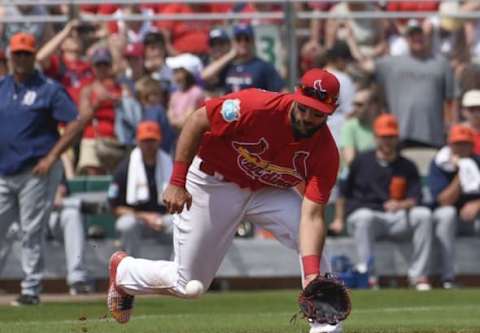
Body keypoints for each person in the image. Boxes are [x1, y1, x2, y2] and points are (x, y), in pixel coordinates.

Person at [107, 68, 343, 333]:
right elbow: (198, 120)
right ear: (296, 96)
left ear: (330, 112)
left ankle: (324, 327)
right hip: (214, 181)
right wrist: (177, 181)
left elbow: (312, 217)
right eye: (304, 108)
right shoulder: (256, 106)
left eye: (317, 113)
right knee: (190, 284)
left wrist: (312, 278)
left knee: (313, 241)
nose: (308, 117)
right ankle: (125, 272)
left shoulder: (326, 153)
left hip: (266, 190)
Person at [0, 32, 88, 305]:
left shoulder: (48, 88)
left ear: (35, 56)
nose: (22, 58)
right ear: (10, 56)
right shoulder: (2, 86)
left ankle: (31, 288)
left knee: (31, 230)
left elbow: (75, 122)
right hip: (5, 171)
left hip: (35, 170)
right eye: (18, 54)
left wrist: (52, 157)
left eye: (27, 53)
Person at [339, 114, 433, 290]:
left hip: (397, 218)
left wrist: (402, 204)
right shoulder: (361, 161)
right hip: (369, 217)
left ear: (397, 138)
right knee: (364, 217)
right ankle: (368, 276)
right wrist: (338, 219)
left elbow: (416, 197)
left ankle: (419, 276)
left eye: (391, 136)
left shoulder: (407, 165)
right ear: (375, 138)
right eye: (384, 137)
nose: (387, 141)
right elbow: (343, 192)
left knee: (424, 215)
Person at [355, 19, 454, 148]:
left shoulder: (442, 64)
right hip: (399, 133)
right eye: (412, 35)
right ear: (406, 39)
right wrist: (379, 45)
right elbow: (364, 66)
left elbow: (451, 98)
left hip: (433, 134)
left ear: (428, 36)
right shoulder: (390, 63)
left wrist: (452, 124)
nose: (417, 38)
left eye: (420, 34)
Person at [108, 121, 174, 257]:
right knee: (126, 224)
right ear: (138, 141)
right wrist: (145, 217)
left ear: (159, 140)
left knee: (181, 224)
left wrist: (161, 218)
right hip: (137, 219)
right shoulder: (125, 167)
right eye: (145, 140)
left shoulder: (169, 164)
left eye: (152, 140)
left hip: (164, 219)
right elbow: (115, 206)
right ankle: (131, 268)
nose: (149, 145)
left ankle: (178, 274)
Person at [428, 125, 480, 288]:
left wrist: (477, 204)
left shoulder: (477, 161)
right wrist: (460, 172)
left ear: (472, 146)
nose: (461, 148)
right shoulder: (439, 163)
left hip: (473, 218)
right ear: (449, 145)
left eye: (465, 143)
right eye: (457, 143)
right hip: (445, 219)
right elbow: (444, 201)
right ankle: (448, 277)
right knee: (447, 214)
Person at [201, 24, 285, 93]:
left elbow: (281, 91)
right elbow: (205, 76)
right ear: (233, 42)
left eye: (247, 39)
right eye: (239, 39)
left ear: (252, 42)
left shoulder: (263, 67)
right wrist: (231, 54)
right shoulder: (227, 66)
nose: (243, 43)